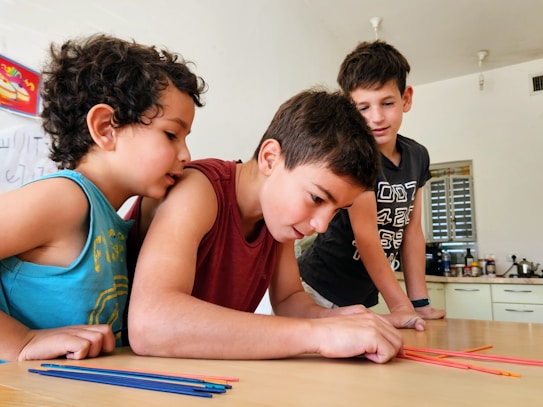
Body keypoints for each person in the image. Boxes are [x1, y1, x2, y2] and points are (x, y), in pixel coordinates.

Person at [126, 89, 403, 363]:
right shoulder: (198, 191)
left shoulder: (276, 220)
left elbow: (289, 299)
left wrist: (340, 319)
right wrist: (319, 333)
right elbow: (150, 324)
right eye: (317, 198)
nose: (321, 226)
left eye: (336, 211)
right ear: (270, 158)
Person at [0, 34, 206, 361]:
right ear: (106, 128)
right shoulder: (65, 198)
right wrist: (21, 342)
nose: (186, 154)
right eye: (171, 134)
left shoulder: (110, 222)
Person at [298, 40, 445, 330]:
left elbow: (411, 230)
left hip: (360, 298)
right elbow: (367, 237)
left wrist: (418, 304)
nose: (376, 117)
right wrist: (400, 306)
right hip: (317, 289)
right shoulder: (356, 160)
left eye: (387, 103)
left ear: (406, 98)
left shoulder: (417, 156)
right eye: (363, 107)